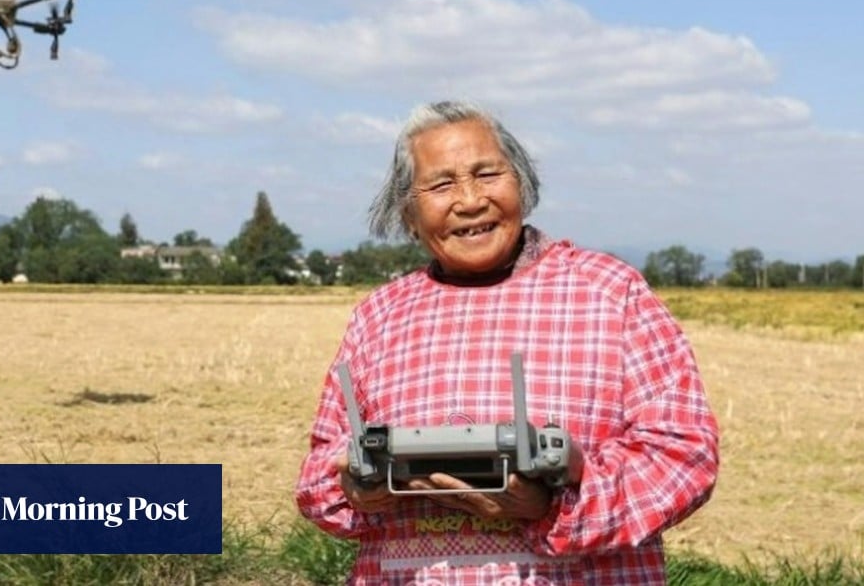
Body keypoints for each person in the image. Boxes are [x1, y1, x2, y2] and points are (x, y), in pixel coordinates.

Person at [295, 100, 719, 584]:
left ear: (523, 184)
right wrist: (358, 489)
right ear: (408, 213)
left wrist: (553, 504)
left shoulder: (609, 293)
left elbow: (684, 458)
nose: (471, 200)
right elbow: (317, 480)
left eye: (487, 175)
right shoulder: (380, 315)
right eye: (441, 184)